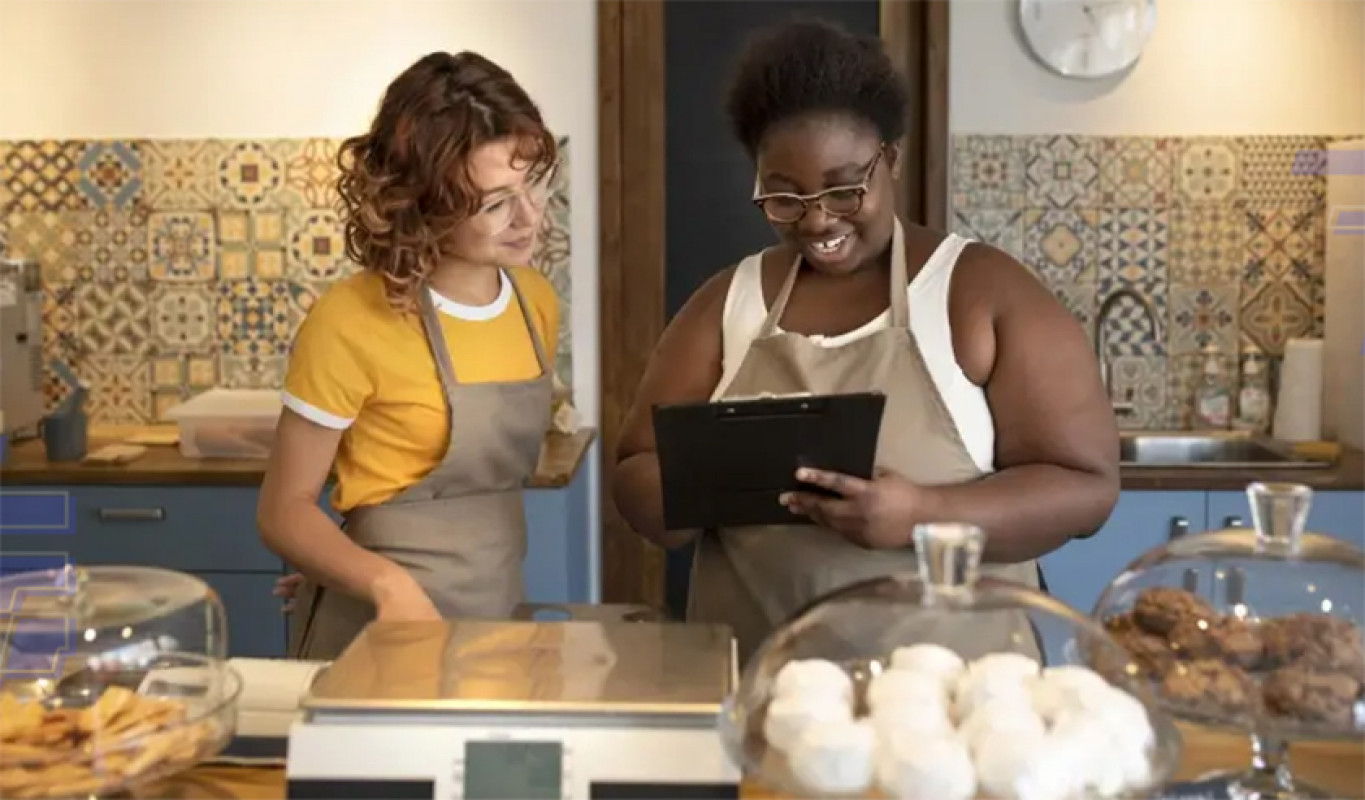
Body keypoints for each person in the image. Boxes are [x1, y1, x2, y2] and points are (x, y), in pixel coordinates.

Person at [612, 19, 1121, 664]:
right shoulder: (727, 304)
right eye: (785, 198)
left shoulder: (980, 293)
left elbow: (1086, 489)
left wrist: (921, 515)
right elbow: (635, 472)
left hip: (956, 694)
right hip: (769, 687)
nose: (818, 219)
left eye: (845, 188)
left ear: (891, 160)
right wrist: (707, 482)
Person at [256, 51, 562, 660]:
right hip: (378, 634)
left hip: (495, 625)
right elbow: (283, 511)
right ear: (422, 202)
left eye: (534, 183)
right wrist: (380, 582)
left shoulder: (535, 303)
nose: (529, 218)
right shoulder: (350, 321)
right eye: (494, 203)